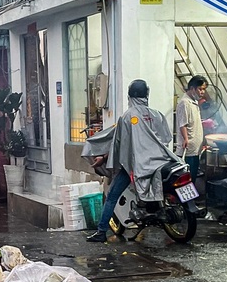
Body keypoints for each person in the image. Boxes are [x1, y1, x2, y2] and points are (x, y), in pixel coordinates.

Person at [83, 79, 175, 243]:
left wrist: (104, 157)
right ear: (147, 94)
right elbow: (166, 138)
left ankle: (101, 232)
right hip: (160, 162)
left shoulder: (127, 117)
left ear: (129, 95)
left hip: (136, 165)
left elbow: (119, 144)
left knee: (111, 196)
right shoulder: (157, 115)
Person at [175, 75, 208, 181]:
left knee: (192, 177)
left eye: (204, 89)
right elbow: (182, 124)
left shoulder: (193, 102)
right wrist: (185, 139)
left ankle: (190, 197)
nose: (202, 92)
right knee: (187, 179)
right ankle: (186, 198)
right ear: (192, 88)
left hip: (195, 150)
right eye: (200, 89)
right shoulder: (185, 103)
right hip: (188, 150)